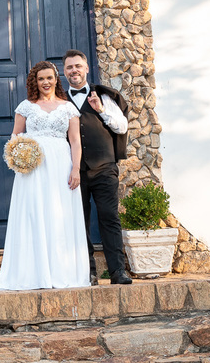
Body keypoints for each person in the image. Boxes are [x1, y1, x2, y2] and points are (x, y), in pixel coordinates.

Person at [0, 61, 91, 290]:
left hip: (61, 165)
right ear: (35, 82)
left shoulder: (68, 108)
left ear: (56, 79)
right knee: (33, 212)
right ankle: (33, 273)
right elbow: (15, 138)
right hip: (34, 169)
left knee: (60, 214)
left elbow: (76, 141)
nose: (46, 82)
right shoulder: (26, 107)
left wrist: (76, 168)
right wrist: (20, 159)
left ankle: (62, 270)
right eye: (41, 79)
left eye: (49, 78)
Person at [62, 48, 132, 285]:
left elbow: (121, 127)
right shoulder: (60, 101)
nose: (74, 70)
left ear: (87, 68)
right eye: (69, 67)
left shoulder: (103, 96)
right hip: (74, 172)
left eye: (78, 66)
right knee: (79, 221)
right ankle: (87, 272)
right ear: (64, 71)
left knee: (109, 218)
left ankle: (117, 272)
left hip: (104, 167)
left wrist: (101, 110)